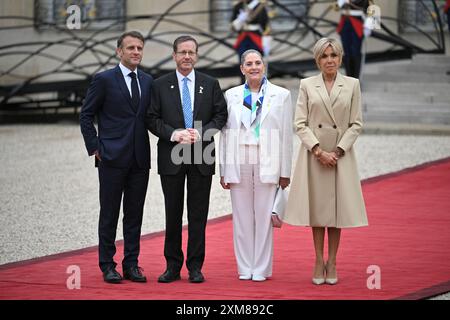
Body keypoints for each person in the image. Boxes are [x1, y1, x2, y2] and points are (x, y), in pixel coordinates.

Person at [283, 38, 368, 285]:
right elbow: (300, 123)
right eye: (324, 56)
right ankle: (318, 259)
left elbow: (356, 123)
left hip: (341, 155)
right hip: (315, 156)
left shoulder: (352, 84)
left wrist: (339, 151)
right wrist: (319, 151)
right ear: (317, 60)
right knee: (319, 211)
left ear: (340, 59)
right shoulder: (307, 85)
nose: (329, 60)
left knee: (337, 211)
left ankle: (333, 261)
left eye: (333, 55)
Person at [146, 35, 228, 284]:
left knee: (198, 214)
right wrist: (173, 134)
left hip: (202, 154)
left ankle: (195, 266)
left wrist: (202, 133)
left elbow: (220, 116)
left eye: (191, 52)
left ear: (197, 55)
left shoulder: (210, 83)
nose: (187, 57)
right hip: (172, 153)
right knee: (173, 213)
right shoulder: (159, 85)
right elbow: (151, 118)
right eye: (182, 52)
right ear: (174, 55)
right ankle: (172, 266)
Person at [79, 31, 152, 284]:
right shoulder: (104, 80)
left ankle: (131, 264)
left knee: (134, 214)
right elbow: (86, 115)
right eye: (130, 48)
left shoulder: (147, 80)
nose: (135, 52)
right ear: (118, 51)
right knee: (109, 213)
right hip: (110, 158)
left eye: (139, 48)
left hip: (140, 159)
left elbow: (150, 117)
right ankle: (107, 265)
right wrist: (95, 146)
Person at [219, 49, 293, 282]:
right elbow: (223, 133)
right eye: (248, 64)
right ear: (242, 69)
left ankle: (260, 268)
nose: (253, 67)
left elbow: (286, 137)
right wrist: (223, 169)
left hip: (267, 158)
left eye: (257, 63)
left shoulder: (281, 95)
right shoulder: (231, 95)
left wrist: (285, 172)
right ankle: (245, 267)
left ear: (264, 66)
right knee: (241, 217)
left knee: (263, 216)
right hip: (239, 157)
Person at [336, 0, 371, 78]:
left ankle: (355, 79)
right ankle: (349, 78)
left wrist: (368, 25)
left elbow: (372, 9)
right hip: (345, 23)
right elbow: (335, 8)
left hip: (357, 23)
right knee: (346, 52)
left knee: (355, 52)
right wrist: (339, 3)